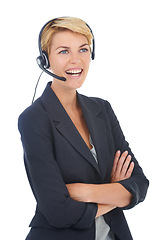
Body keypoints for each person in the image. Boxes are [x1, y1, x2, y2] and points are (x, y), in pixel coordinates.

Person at [18, 17, 149, 240]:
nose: (76, 60)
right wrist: (114, 191)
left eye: (83, 49)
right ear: (44, 58)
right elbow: (58, 210)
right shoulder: (34, 119)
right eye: (63, 51)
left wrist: (85, 192)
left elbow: (139, 184)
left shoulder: (102, 109)